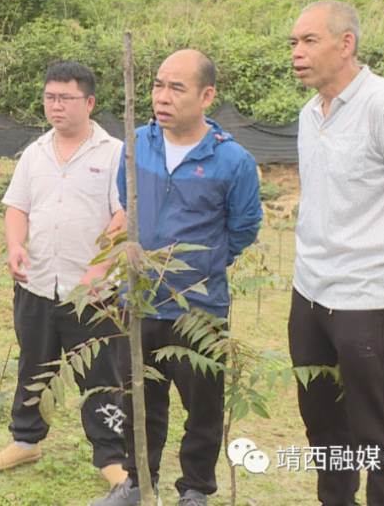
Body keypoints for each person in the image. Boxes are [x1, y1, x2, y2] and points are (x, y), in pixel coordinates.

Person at [89, 49, 262, 506]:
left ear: (207, 95)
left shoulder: (232, 161)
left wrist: (203, 266)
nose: (161, 97)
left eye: (176, 88)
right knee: (140, 400)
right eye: (157, 85)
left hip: (198, 307)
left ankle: (195, 491)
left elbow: (243, 228)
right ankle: (137, 483)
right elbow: (127, 200)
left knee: (202, 405)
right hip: (139, 300)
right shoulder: (137, 142)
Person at [0, 60, 128, 487]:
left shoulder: (115, 152)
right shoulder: (35, 152)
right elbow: (18, 206)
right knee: (35, 364)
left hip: (93, 290)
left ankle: (111, 454)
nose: (55, 106)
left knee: (102, 372)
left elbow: (124, 214)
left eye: (65, 97)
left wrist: (99, 270)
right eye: (50, 97)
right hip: (39, 282)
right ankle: (26, 441)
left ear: (89, 102)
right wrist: (14, 245)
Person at [288, 0, 384, 506]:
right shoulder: (309, 114)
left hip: (367, 297)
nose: (296, 53)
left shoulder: (380, 105)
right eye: (293, 43)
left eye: (308, 41)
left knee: (377, 429)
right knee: (323, 423)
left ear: (346, 44)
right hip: (309, 292)